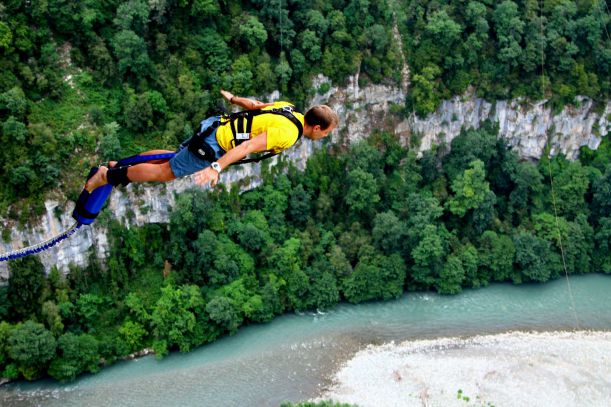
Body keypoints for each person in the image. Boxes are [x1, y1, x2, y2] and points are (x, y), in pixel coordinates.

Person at [85, 89, 338, 192]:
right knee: (165, 172)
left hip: (216, 125)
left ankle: (120, 164)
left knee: (172, 157)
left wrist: (234, 99)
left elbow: (256, 105)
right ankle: (108, 176)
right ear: (316, 127)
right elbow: (247, 147)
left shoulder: (289, 108)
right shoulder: (288, 134)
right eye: (325, 133)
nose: (323, 137)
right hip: (214, 146)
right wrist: (216, 167)